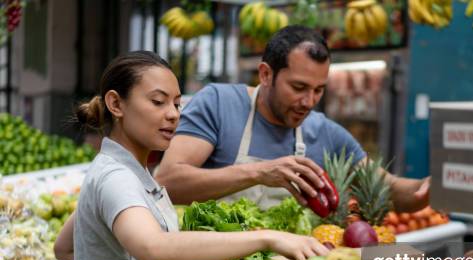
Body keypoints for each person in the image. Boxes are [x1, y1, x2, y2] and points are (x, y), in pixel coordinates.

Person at [53, 51, 328, 260]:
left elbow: (65, 247)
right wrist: (267, 239)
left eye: (176, 103)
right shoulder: (116, 178)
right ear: (116, 104)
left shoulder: (131, 174)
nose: (173, 114)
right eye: (158, 102)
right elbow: (155, 249)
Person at [155, 25, 430, 211]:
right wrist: (260, 173)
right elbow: (169, 182)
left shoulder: (326, 134)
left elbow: (391, 189)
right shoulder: (219, 103)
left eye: (318, 90)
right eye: (298, 88)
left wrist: (435, 187)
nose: (309, 102)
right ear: (266, 74)